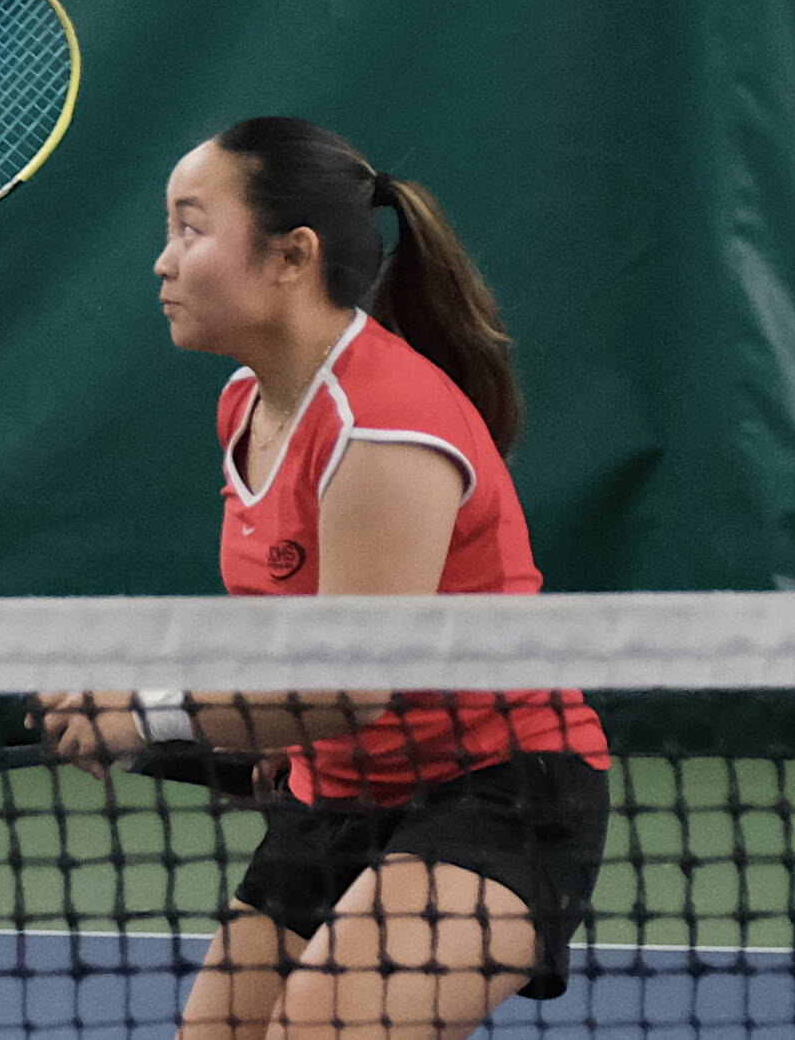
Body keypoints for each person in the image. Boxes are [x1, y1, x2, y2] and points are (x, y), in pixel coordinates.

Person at [37, 116, 610, 1040]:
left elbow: (347, 684)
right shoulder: (246, 406)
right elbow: (301, 650)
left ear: (291, 255)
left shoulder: (382, 423)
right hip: (336, 800)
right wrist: (259, 726)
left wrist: (146, 712)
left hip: (498, 794)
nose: (162, 261)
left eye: (190, 227)